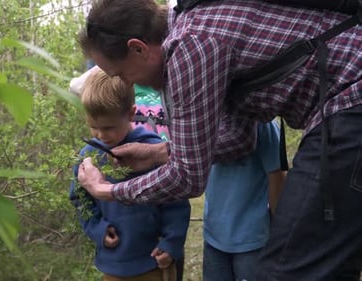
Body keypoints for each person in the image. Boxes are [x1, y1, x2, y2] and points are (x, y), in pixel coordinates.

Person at [75, 0, 362, 279]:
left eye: (122, 74)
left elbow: (188, 178)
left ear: (138, 48)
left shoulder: (191, 45)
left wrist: (107, 190)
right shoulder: (203, 32)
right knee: (329, 264)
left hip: (350, 103)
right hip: (343, 110)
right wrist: (157, 153)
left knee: (286, 269)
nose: (128, 84)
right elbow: (239, 139)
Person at [69, 68, 191, 281]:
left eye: (108, 127)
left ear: (131, 113)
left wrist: (171, 243)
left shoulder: (152, 150)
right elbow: (81, 199)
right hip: (113, 264)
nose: (100, 135)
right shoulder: (88, 158)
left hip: (154, 260)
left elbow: (176, 200)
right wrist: (98, 230)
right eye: (93, 127)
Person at [203, 121, 286, 281]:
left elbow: (276, 175)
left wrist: (280, 230)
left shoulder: (263, 124)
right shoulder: (210, 118)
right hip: (213, 235)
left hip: (252, 240)